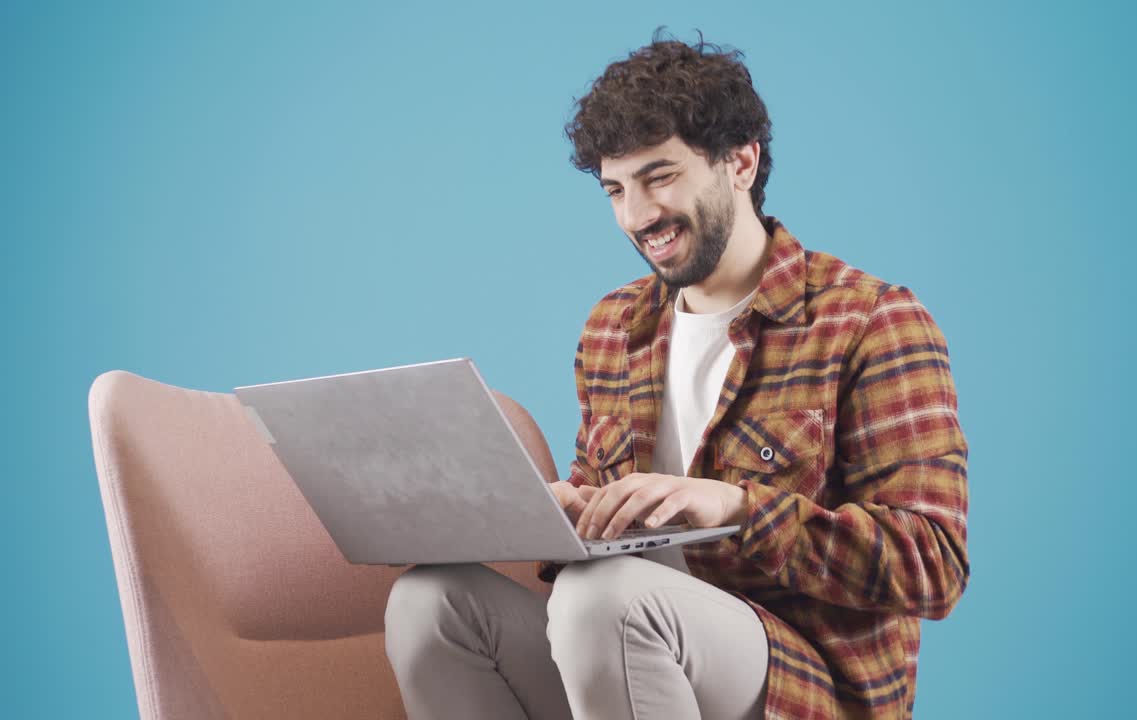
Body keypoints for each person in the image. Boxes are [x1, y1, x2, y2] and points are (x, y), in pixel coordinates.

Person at [383, 31, 969, 720]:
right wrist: (556, 514)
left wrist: (737, 508)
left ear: (741, 163)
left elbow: (932, 565)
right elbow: (597, 537)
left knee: (604, 599)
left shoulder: (870, 319)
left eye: (660, 177)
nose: (638, 216)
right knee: (429, 602)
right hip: (620, 660)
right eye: (615, 190)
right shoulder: (613, 327)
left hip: (801, 687)